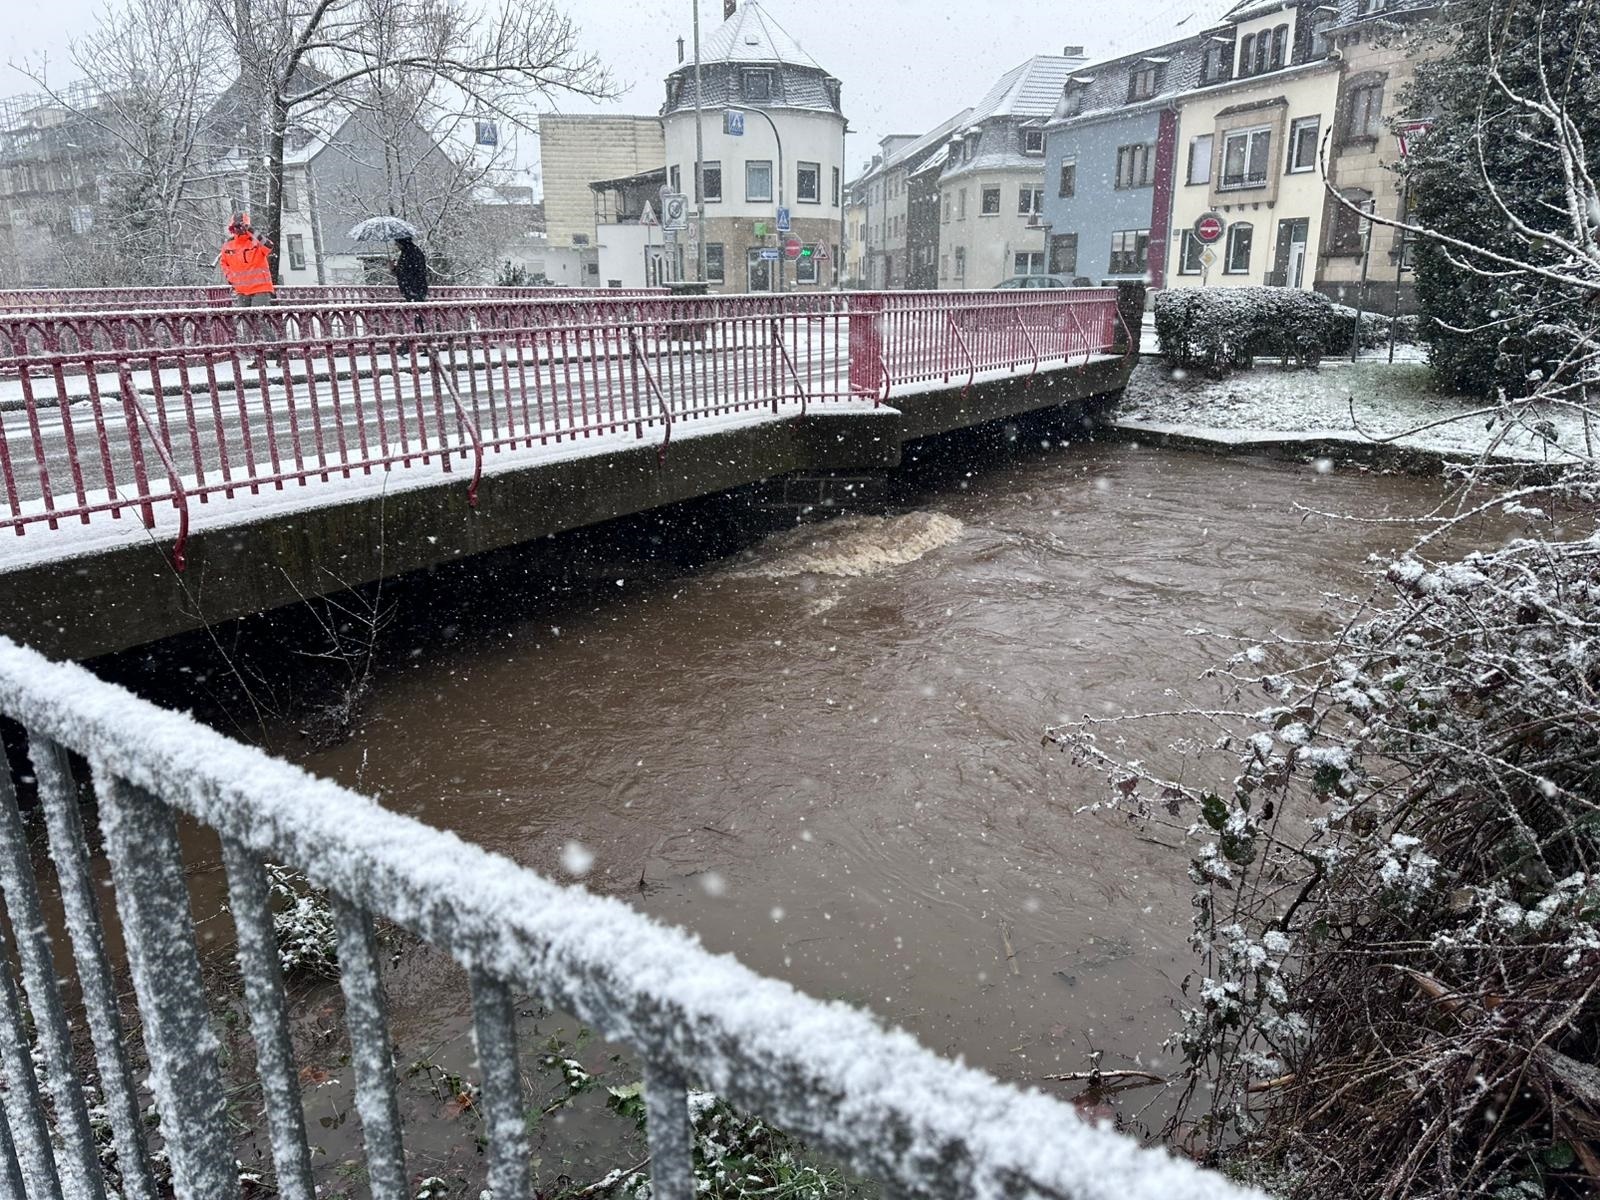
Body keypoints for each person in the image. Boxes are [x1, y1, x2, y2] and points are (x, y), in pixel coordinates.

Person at [218, 212, 275, 306]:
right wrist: (231, 278)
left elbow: (269, 246)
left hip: (260, 289)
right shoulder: (228, 245)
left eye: (241, 226)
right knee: (244, 320)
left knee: (259, 318)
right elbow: (224, 263)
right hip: (241, 291)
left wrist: (251, 230)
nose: (239, 229)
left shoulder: (256, 240)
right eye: (236, 226)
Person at [391, 236, 429, 302]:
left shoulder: (409, 253)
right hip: (414, 288)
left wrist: (395, 269)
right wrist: (394, 269)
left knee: (415, 308)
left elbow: (406, 272)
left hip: (413, 289)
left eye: (397, 242)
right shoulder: (410, 252)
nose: (396, 245)